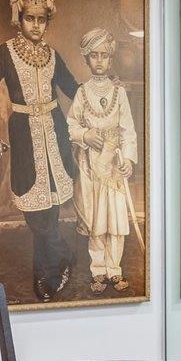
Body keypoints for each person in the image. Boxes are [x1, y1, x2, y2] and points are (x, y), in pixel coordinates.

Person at [0, 0, 80, 301]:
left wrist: (105, 98)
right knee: (36, 216)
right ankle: (62, 256)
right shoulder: (6, 52)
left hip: (55, 133)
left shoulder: (52, 55)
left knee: (49, 212)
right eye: (30, 18)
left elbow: (74, 89)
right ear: (19, 18)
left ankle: (45, 275)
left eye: (41, 20)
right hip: (24, 136)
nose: (36, 25)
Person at [66, 28, 137, 294]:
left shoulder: (119, 94)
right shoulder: (83, 93)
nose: (99, 61)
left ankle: (114, 269)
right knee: (97, 221)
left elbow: (128, 129)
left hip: (114, 166)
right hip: (91, 167)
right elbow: (71, 125)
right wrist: (85, 134)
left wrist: (128, 158)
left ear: (111, 59)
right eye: (93, 56)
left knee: (115, 222)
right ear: (87, 59)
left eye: (104, 56)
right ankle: (98, 270)